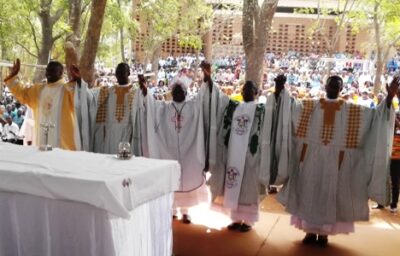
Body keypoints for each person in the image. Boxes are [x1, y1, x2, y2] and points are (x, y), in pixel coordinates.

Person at [274, 75, 399, 247]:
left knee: (329, 195)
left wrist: (390, 97)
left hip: (336, 164)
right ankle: (310, 232)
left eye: (337, 85)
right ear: (325, 86)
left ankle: (324, 234)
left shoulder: (353, 111)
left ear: (341, 89)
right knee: (310, 192)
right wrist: (280, 88)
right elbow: (289, 106)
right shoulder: (310, 106)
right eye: (331, 84)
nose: (334, 87)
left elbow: (377, 117)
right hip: (311, 161)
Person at [137, 70, 210, 224]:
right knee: (171, 179)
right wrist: (145, 89)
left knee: (186, 177)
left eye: (181, 91)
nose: (178, 93)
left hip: (189, 151)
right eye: (175, 91)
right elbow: (151, 105)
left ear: (186, 92)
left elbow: (203, 96)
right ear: (171, 92)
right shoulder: (164, 108)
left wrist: (206, 80)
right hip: (169, 151)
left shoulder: (193, 106)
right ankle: (173, 209)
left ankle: (186, 212)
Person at [3, 59, 94, 151]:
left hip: (63, 145)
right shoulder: (38, 90)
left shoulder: (68, 89)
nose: (48, 73)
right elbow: (22, 93)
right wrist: (13, 75)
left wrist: (78, 80)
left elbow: (85, 99)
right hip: (42, 140)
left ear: (61, 73)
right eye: (47, 70)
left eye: (52, 71)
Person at [92, 63, 139, 155]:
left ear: (129, 73)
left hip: (127, 133)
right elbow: (90, 97)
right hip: (110, 133)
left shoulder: (135, 93)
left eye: (122, 72)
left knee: (124, 162)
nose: (119, 75)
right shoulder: (107, 92)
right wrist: (79, 83)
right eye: (117, 73)